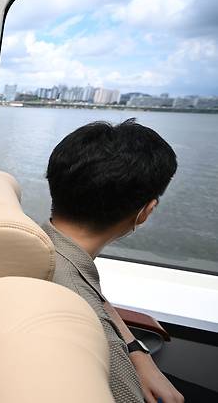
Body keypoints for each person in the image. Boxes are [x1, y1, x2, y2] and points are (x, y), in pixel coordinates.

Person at [42, 119, 183, 403]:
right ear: (145, 212)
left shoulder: (38, 241)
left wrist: (135, 350)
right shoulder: (88, 323)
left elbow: (97, 299)